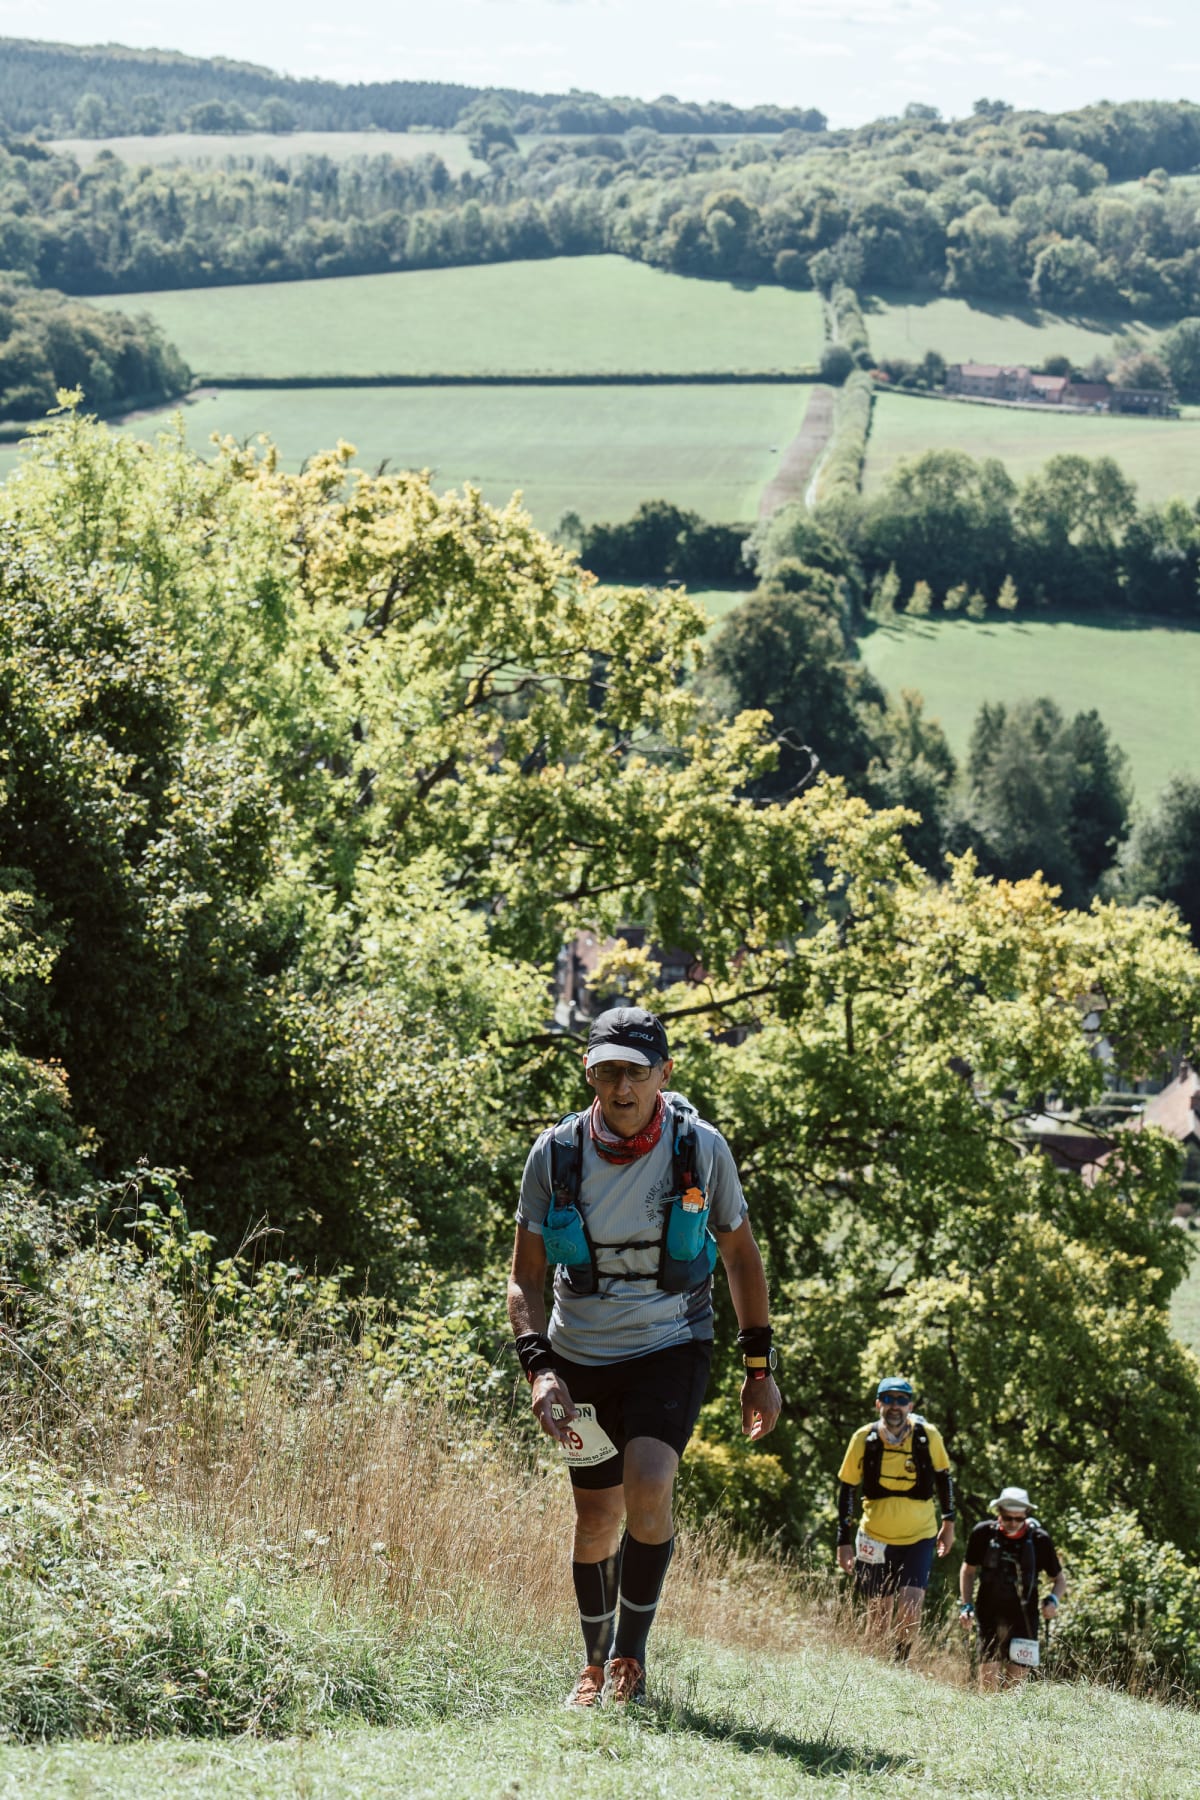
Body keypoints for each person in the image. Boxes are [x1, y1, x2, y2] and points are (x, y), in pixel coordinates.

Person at [508, 1004, 781, 1709]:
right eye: (607, 1072)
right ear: (589, 1074)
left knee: (650, 1481)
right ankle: (592, 1665)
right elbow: (525, 1277)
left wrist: (759, 1372)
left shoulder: (701, 1149)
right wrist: (540, 1369)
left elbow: (740, 1257)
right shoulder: (555, 1154)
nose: (621, 1088)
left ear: (665, 1072)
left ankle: (630, 1658)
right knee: (597, 1516)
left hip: (670, 1342)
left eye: (635, 1072)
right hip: (579, 1353)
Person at [835, 1378, 955, 1658]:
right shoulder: (863, 1439)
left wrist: (948, 1524)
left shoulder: (928, 1436)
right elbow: (847, 1489)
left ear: (910, 1406)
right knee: (878, 1615)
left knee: (911, 1607)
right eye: (888, 1399)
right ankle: (874, 1668)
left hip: (919, 1537)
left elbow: (944, 1479)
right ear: (878, 1404)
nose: (895, 1406)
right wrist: (843, 1541)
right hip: (874, 1537)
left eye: (901, 1400)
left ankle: (900, 1662)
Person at [959, 1485, 1066, 1690]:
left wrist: (1053, 1601)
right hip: (988, 1615)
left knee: (1014, 1688)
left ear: (1026, 1515)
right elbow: (968, 1570)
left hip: (1024, 1619)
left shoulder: (1040, 1540)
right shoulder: (983, 1533)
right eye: (1008, 1518)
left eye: (1019, 1519)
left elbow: (1059, 1580)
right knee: (988, 1685)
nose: (1013, 1523)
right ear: (999, 1513)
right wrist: (966, 1605)